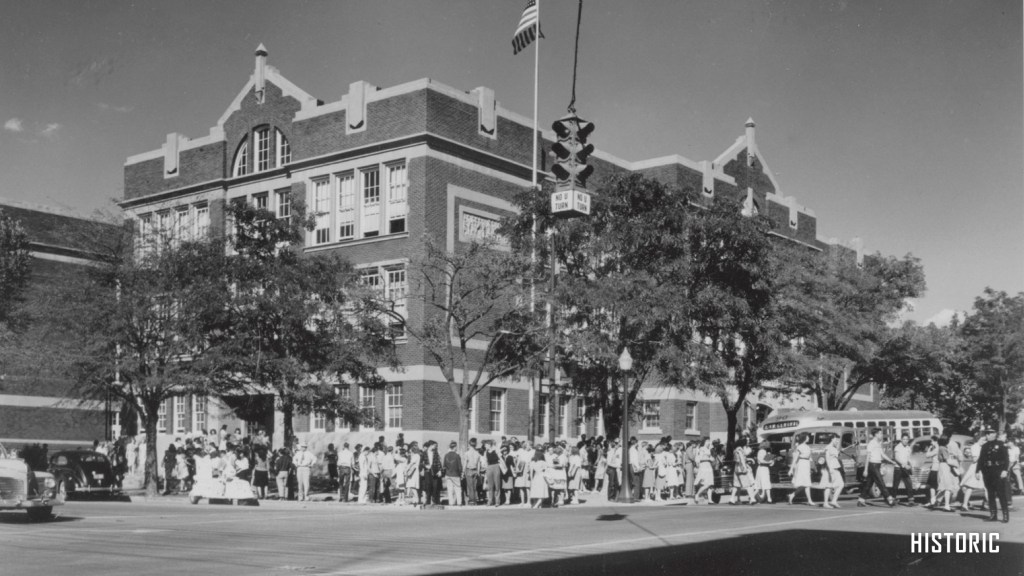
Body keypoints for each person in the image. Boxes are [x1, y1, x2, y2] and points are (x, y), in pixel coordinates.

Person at [977, 427, 1010, 523]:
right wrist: (977, 471)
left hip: (998, 471)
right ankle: (993, 515)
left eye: (990, 433)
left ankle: (1005, 515)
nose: (988, 435)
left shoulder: (1001, 444)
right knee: (990, 494)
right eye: (987, 433)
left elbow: (1006, 458)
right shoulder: (985, 446)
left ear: (995, 434)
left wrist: (1005, 470)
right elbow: (981, 459)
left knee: (1001, 493)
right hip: (987, 471)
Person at [857, 428, 896, 507]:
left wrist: (891, 461)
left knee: (869, 483)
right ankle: (889, 498)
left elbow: (882, 454)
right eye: (880, 434)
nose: (881, 435)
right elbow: (868, 457)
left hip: (877, 465)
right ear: (876, 434)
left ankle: (861, 499)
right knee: (880, 482)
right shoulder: (871, 443)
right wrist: (865, 470)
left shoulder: (878, 443)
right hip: (873, 465)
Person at [787, 433, 816, 506]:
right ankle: (809, 500)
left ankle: (792, 495)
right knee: (806, 483)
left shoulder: (807, 447)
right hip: (801, 465)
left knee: (806, 483)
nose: (808, 438)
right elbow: (795, 459)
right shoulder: (799, 447)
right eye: (807, 437)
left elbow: (810, 458)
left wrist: (813, 467)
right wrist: (791, 469)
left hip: (807, 464)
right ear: (804, 438)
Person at [935, 436, 959, 511]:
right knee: (948, 487)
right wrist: (956, 464)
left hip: (942, 466)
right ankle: (946, 506)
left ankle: (935, 500)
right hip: (945, 466)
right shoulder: (943, 448)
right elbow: (948, 460)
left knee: (944, 486)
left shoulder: (940, 448)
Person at [891, 434, 916, 505]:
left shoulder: (908, 448)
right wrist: (904, 465)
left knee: (909, 484)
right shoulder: (897, 447)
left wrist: (910, 465)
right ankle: (892, 499)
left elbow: (909, 459)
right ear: (901, 439)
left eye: (907, 439)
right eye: (904, 439)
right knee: (895, 485)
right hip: (898, 468)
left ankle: (911, 500)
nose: (905, 441)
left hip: (905, 469)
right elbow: (896, 458)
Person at [821, 434, 844, 509]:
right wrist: (830, 469)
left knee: (840, 484)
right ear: (832, 439)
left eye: (838, 440)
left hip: (835, 468)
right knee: (828, 486)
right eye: (836, 440)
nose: (837, 441)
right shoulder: (828, 447)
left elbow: (836, 455)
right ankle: (825, 503)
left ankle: (833, 501)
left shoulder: (833, 448)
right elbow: (827, 458)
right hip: (831, 469)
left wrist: (839, 451)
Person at [730, 438, 755, 505]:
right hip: (741, 468)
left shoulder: (735, 450)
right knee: (748, 484)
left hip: (736, 468)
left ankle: (732, 499)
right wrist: (745, 467)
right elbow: (742, 459)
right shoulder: (740, 450)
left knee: (736, 485)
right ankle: (752, 498)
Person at [693, 438, 715, 504]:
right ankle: (697, 494)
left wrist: (712, 458)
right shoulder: (701, 449)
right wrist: (709, 458)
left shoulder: (708, 449)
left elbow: (710, 457)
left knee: (710, 483)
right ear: (705, 441)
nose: (709, 442)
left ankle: (710, 499)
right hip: (704, 465)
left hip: (708, 465)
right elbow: (700, 458)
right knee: (706, 483)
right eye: (708, 441)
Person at [443, 441, 464, 506]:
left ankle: (451, 503)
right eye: (456, 447)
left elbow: (444, 465)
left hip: (448, 474)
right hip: (456, 474)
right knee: (458, 489)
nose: (456, 448)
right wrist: (461, 473)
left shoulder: (446, 455)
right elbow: (459, 466)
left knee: (450, 489)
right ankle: (459, 502)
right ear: (454, 447)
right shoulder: (457, 456)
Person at [483, 440, 503, 507]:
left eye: (486, 445)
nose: (485, 446)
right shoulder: (485, 452)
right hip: (489, 467)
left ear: (489, 445)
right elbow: (485, 461)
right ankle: (490, 501)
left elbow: (500, 457)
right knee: (490, 485)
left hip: (496, 466)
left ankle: (497, 501)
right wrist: (486, 469)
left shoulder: (495, 450)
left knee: (497, 484)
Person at [463, 438, 482, 505]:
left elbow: (465, 463)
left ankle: (471, 500)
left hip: (469, 469)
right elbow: (479, 463)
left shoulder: (467, 453)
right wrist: (478, 471)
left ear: (469, 444)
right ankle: (475, 500)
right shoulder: (477, 453)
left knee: (470, 486)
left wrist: (463, 471)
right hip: (475, 470)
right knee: (474, 486)